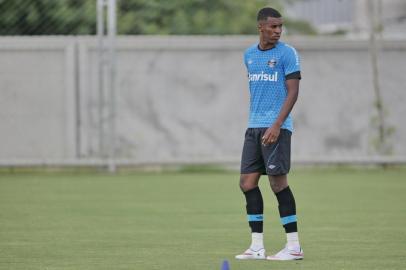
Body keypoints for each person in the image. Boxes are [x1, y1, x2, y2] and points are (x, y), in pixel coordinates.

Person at [235, 7, 303, 261]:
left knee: (277, 183)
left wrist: (276, 124)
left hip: (277, 127)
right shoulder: (249, 55)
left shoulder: (287, 53)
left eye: (280, 27)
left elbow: (293, 92)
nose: (277, 31)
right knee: (247, 183)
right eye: (273, 26)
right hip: (254, 127)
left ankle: (294, 246)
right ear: (260, 27)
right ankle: (256, 246)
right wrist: (260, 125)